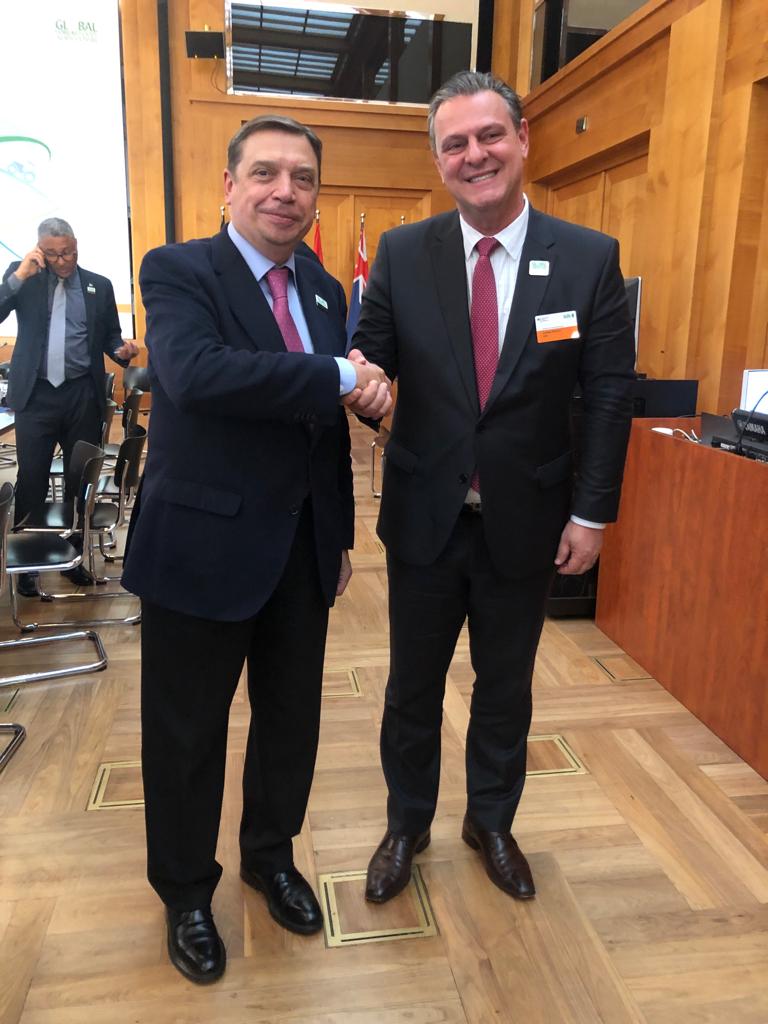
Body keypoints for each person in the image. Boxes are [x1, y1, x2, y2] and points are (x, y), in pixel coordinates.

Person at [351, 71, 636, 905]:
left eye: (489, 136)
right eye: (455, 144)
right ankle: (406, 824)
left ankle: (492, 822)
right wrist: (365, 385)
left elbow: (609, 393)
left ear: (522, 140)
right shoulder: (404, 252)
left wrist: (592, 513)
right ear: (438, 160)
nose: (474, 155)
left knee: (505, 686)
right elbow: (372, 356)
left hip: (530, 519)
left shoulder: (588, 257)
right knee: (411, 685)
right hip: (425, 517)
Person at [122, 114, 391, 985]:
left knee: (289, 724)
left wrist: (338, 533)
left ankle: (270, 858)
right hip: (198, 548)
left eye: (303, 178)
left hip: (299, 552)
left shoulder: (323, 287)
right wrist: (343, 375)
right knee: (186, 734)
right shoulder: (178, 270)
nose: (286, 192)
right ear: (229, 187)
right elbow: (196, 374)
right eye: (266, 173)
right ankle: (186, 894)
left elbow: (321, 429)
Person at [0, 217, 140, 594]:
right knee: (32, 478)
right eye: (53, 254)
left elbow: (110, 337)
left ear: (77, 246)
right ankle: (28, 564)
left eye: (69, 253)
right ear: (39, 250)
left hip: (81, 394)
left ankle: (73, 557)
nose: (62, 261)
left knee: (81, 478)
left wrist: (122, 351)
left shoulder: (99, 285)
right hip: (36, 395)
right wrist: (19, 277)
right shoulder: (22, 277)